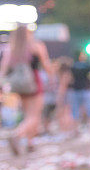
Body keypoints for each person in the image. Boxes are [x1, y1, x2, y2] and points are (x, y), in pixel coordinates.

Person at [0, 25, 52, 155]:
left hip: (20, 86)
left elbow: (4, 69)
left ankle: (30, 143)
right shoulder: (36, 46)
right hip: (34, 82)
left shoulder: (11, 48)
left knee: (27, 114)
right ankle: (17, 135)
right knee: (34, 116)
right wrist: (51, 78)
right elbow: (46, 64)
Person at [66, 51, 90, 132]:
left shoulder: (72, 66)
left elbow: (69, 79)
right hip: (85, 89)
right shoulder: (87, 66)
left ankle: (75, 130)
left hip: (75, 90)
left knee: (75, 111)